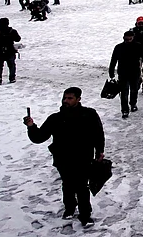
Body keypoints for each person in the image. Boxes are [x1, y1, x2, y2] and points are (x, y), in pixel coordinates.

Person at [24, 87, 105, 226]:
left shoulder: (89, 114)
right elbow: (39, 137)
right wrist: (31, 126)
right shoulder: (56, 118)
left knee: (81, 186)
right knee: (67, 184)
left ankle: (85, 214)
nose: (66, 101)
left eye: (70, 98)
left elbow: (98, 133)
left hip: (83, 157)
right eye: (64, 98)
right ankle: (69, 208)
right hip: (63, 158)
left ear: (78, 99)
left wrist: (99, 151)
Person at [109, 30, 143, 119]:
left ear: (133, 38)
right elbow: (113, 60)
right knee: (123, 92)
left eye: (129, 39)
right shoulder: (118, 47)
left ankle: (133, 103)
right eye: (126, 39)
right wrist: (111, 71)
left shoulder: (138, 46)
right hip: (123, 72)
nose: (127, 41)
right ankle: (124, 110)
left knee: (134, 89)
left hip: (135, 71)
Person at [0, 17, 21, 84]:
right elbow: (18, 39)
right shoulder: (12, 31)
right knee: (11, 65)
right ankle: (12, 78)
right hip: (10, 51)